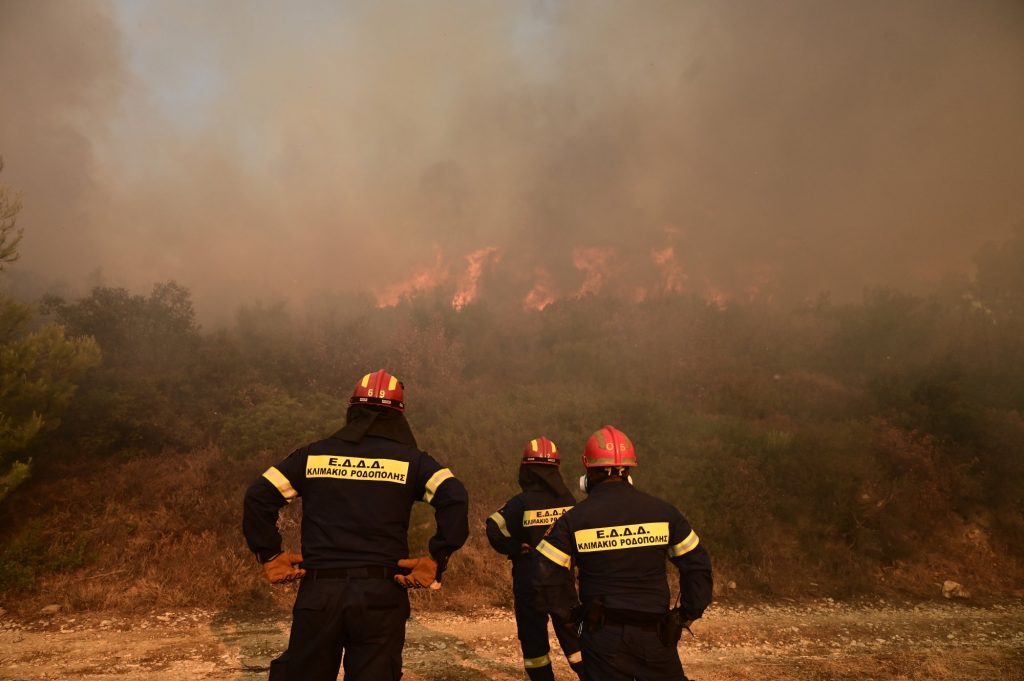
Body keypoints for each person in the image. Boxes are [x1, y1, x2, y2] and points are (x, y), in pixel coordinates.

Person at [242, 369, 470, 681]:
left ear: (352, 410)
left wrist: (269, 553)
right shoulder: (412, 461)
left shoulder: (312, 456)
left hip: (320, 593)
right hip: (381, 595)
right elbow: (454, 497)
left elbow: (258, 495)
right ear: (398, 417)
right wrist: (437, 558)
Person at [533, 426, 712, 681]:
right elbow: (697, 566)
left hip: (601, 636)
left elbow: (543, 573)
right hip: (657, 636)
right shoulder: (664, 513)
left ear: (588, 471)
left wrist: (571, 616)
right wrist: (686, 614)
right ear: (629, 470)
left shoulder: (573, 520)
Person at [485, 437, 590, 681]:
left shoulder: (519, 503)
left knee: (534, 642)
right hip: (561, 583)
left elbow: (492, 526)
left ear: (527, 469)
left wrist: (512, 546)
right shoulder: (568, 502)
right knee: (573, 637)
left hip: (528, 582)